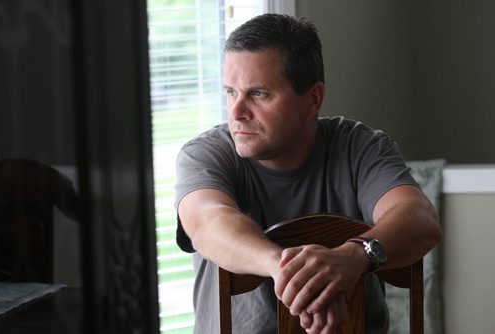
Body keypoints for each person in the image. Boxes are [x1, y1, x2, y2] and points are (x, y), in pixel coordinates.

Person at [174, 13, 442, 334]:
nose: (236, 113)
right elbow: (208, 223)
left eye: (258, 94)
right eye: (231, 92)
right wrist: (291, 273)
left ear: (312, 99)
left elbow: (420, 218)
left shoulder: (360, 148)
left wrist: (354, 256)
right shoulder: (205, 154)